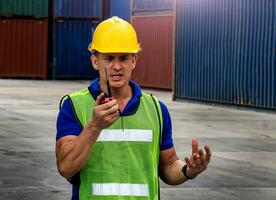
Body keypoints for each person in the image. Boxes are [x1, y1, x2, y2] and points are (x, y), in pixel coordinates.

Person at [55, 16, 211, 200]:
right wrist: (94, 126)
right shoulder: (73, 106)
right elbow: (65, 168)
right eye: (109, 58)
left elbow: (168, 165)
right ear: (95, 61)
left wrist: (189, 170)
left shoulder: (156, 109)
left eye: (124, 58)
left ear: (134, 61)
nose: (117, 66)